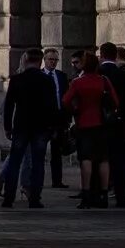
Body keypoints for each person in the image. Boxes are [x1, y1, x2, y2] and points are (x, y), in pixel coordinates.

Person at [0, 49, 60, 208]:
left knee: (15, 161)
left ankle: (9, 197)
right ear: (40, 61)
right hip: (41, 127)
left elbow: (9, 105)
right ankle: (34, 198)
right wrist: (53, 127)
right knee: (38, 162)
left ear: (26, 60)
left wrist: (7, 126)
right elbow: (53, 106)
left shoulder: (17, 79)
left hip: (21, 125)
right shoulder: (46, 80)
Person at [64, 51, 119, 208]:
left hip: (84, 123)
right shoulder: (103, 80)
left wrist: (76, 109)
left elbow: (66, 101)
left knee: (86, 159)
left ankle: (86, 193)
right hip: (102, 124)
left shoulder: (77, 82)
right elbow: (115, 101)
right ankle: (103, 194)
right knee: (103, 159)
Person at [99, 43, 125, 206]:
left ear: (102, 55)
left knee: (100, 159)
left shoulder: (97, 74)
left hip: (99, 124)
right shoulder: (124, 75)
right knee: (120, 160)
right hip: (120, 123)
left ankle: (100, 194)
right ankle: (121, 196)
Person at [43, 49, 72, 189]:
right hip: (44, 120)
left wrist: (67, 118)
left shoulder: (61, 76)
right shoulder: (41, 76)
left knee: (57, 153)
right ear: (45, 60)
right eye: (50, 59)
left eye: (55, 60)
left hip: (59, 119)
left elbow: (66, 97)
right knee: (39, 150)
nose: (53, 62)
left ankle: (57, 180)